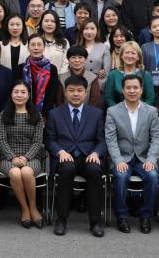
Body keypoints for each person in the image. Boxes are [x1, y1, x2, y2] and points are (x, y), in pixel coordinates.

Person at [47, 75, 106, 237]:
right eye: (71, 90)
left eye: (79, 90)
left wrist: (96, 153)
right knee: (67, 170)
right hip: (65, 156)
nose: (75, 94)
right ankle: (61, 219)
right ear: (65, 93)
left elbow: (102, 141)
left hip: (88, 156)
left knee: (95, 170)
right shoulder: (55, 114)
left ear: (85, 93)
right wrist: (60, 151)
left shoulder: (96, 114)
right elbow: (50, 140)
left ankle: (95, 222)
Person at [105, 74, 159, 234]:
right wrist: (118, 160)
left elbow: (157, 138)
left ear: (141, 90)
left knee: (152, 176)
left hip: (143, 158)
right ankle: (122, 217)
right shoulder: (112, 111)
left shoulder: (151, 111)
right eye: (128, 88)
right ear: (122, 90)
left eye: (135, 87)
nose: (132, 91)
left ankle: (146, 216)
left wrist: (151, 159)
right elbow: (110, 140)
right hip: (122, 157)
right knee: (121, 177)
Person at [0, 80, 46, 229]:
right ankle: (24, 208)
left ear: (28, 95)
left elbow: (38, 141)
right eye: (16, 92)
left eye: (23, 92)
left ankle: (33, 207)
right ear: (11, 94)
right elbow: (2, 140)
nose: (19, 95)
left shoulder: (36, 115)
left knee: (26, 171)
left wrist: (26, 157)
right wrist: (12, 157)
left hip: (31, 157)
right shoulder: (4, 114)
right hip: (8, 157)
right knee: (15, 173)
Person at [17, 34, 61, 119]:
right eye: (33, 45)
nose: (36, 48)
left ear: (44, 47)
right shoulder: (20, 68)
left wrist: (45, 115)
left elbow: (52, 94)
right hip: (23, 112)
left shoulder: (52, 69)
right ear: (28, 48)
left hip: (45, 113)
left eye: (39, 44)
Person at [103, 41, 155, 107]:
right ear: (121, 56)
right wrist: (117, 110)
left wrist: (140, 111)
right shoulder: (112, 75)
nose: (129, 56)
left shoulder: (146, 75)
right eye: (127, 53)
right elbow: (109, 98)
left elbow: (150, 98)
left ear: (138, 57)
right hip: (118, 112)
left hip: (141, 112)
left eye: (133, 53)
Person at [76, 18, 110, 89]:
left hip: (98, 86)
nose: (89, 32)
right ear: (82, 30)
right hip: (78, 86)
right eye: (86, 28)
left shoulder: (104, 48)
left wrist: (99, 85)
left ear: (97, 31)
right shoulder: (75, 48)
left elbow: (106, 71)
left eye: (92, 28)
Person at [140, 16, 159, 89]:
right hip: (148, 83)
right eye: (154, 27)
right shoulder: (145, 47)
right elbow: (141, 67)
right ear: (150, 30)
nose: (157, 29)